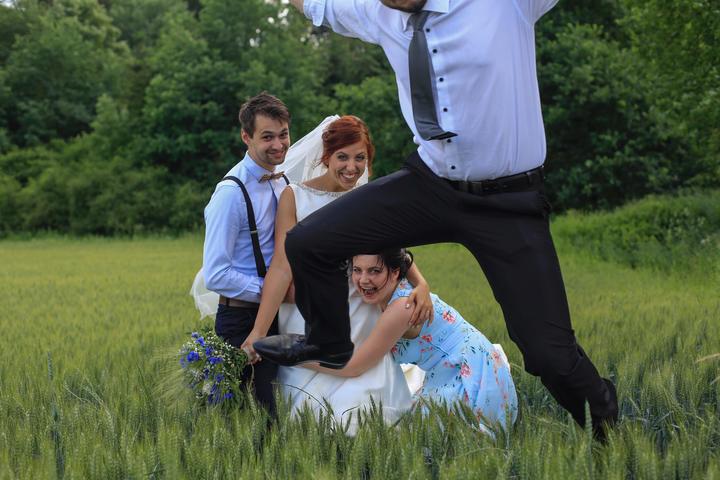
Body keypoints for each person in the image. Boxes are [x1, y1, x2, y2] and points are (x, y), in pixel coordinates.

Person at [254, 0, 619, 438]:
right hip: (430, 184)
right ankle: (330, 342)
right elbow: (319, 4)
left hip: (509, 200)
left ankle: (605, 420)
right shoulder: (380, 14)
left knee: (548, 355)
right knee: (308, 241)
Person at [241, 116, 432, 432]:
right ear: (326, 157)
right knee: (304, 414)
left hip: (358, 309)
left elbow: (395, 252)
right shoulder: (295, 196)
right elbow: (282, 266)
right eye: (342, 157)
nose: (352, 167)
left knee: (362, 408)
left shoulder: (368, 199)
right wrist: (259, 331)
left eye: (360, 158)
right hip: (309, 312)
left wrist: (421, 284)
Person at [310, 249, 518, 434]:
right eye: (357, 270)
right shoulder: (393, 287)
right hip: (452, 365)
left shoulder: (403, 306)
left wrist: (301, 358)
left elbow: (355, 366)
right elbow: (404, 257)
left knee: (430, 439)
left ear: (395, 272)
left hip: (466, 369)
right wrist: (422, 283)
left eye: (374, 271)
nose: (364, 280)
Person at [202, 92, 292, 416]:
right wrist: (273, 291)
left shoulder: (283, 181)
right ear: (246, 136)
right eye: (267, 137)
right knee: (251, 420)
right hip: (241, 320)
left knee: (282, 414)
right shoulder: (230, 193)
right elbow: (216, 274)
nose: (278, 145)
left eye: (283, 134)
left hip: (280, 316)